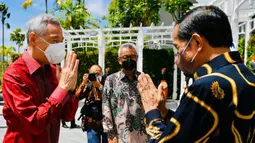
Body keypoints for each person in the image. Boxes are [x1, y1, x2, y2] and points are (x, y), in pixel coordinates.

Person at [137, 5, 255, 143]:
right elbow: (198, 129)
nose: (177, 57)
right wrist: (165, 113)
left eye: (178, 48)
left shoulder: (206, 86)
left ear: (197, 42)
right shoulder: (248, 76)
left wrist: (151, 111)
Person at [2, 14, 80, 143]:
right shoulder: (14, 74)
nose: (59, 46)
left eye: (61, 42)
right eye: (55, 41)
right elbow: (34, 123)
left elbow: (67, 116)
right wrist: (62, 88)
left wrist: (70, 90)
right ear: (33, 38)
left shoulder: (54, 72)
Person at [102, 43, 148, 143]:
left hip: (142, 134)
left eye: (132, 57)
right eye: (125, 57)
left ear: (137, 58)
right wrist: (110, 134)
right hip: (120, 135)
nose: (129, 60)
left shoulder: (144, 79)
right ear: (119, 60)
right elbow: (106, 108)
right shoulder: (111, 80)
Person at [76, 65, 108, 143]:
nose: (95, 76)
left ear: (102, 73)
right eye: (92, 74)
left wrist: (99, 86)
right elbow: (77, 97)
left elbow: (111, 96)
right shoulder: (88, 85)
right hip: (91, 124)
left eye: (97, 74)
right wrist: (83, 82)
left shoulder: (108, 82)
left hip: (107, 123)